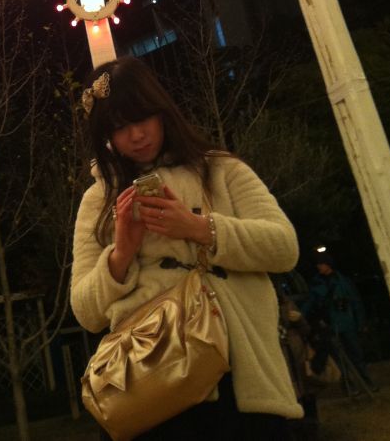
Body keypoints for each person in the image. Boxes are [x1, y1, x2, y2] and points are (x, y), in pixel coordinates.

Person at [71, 57, 303, 440]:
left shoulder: (222, 170)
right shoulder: (98, 200)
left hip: (240, 376)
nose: (136, 135)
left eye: (142, 118)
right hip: (151, 383)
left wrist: (200, 229)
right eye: (119, 127)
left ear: (162, 111)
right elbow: (85, 311)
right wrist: (121, 254)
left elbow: (284, 247)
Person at [301, 249, 375, 390]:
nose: (318, 266)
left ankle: (366, 382)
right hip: (329, 326)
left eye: (321, 263)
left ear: (328, 265)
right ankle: (349, 386)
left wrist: (361, 322)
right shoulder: (317, 284)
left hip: (346, 323)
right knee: (338, 358)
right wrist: (300, 314)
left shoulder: (343, 282)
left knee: (356, 354)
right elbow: (310, 303)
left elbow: (355, 302)